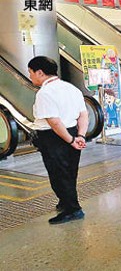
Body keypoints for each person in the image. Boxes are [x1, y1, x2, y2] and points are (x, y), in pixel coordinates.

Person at [29, 56, 88, 224]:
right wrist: (80, 136)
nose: (30, 76)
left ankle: (73, 210)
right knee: (69, 172)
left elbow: (54, 122)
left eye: (31, 73)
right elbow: (84, 114)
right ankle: (65, 201)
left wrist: (70, 140)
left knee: (58, 174)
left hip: (55, 137)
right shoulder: (71, 88)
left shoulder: (45, 93)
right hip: (72, 132)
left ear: (40, 72)